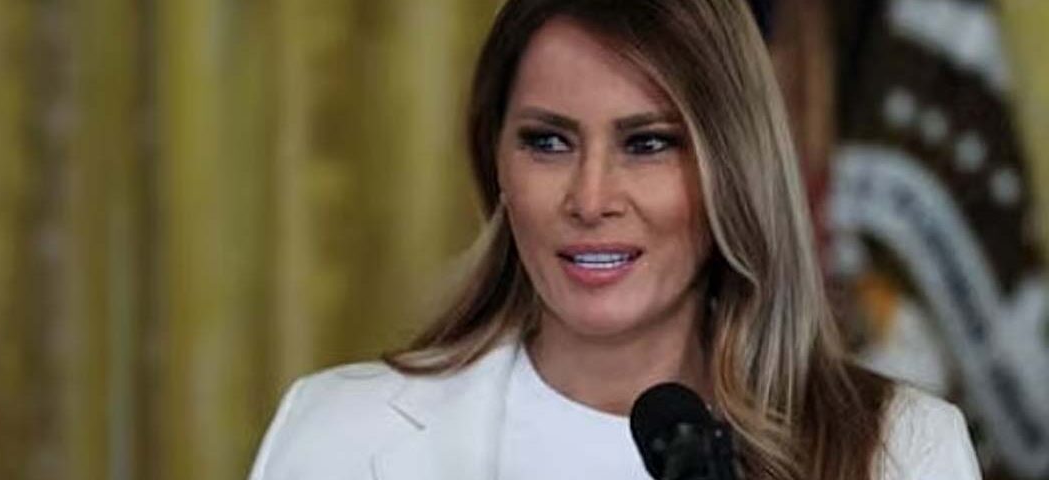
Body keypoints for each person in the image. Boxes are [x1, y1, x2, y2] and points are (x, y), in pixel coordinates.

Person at [248, 0, 982, 479]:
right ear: (495, 160)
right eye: (547, 142)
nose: (591, 199)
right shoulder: (336, 434)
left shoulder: (904, 451)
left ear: (734, 169)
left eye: (647, 144)